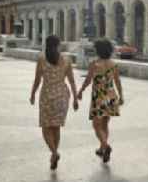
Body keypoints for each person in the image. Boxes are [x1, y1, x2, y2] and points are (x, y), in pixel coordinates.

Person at [30, 35, 79, 170]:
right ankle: (54, 156)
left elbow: (37, 80)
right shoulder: (66, 59)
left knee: (46, 127)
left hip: (47, 96)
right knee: (56, 127)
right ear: (58, 45)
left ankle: (54, 152)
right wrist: (75, 98)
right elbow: (72, 81)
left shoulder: (41, 59)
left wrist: (32, 94)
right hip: (62, 96)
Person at [77, 38, 123, 163]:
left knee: (96, 125)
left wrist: (80, 91)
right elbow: (117, 82)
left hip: (99, 98)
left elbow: (88, 81)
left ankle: (105, 145)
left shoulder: (95, 64)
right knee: (105, 124)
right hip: (111, 97)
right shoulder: (113, 64)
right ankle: (102, 148)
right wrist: (121, 96)